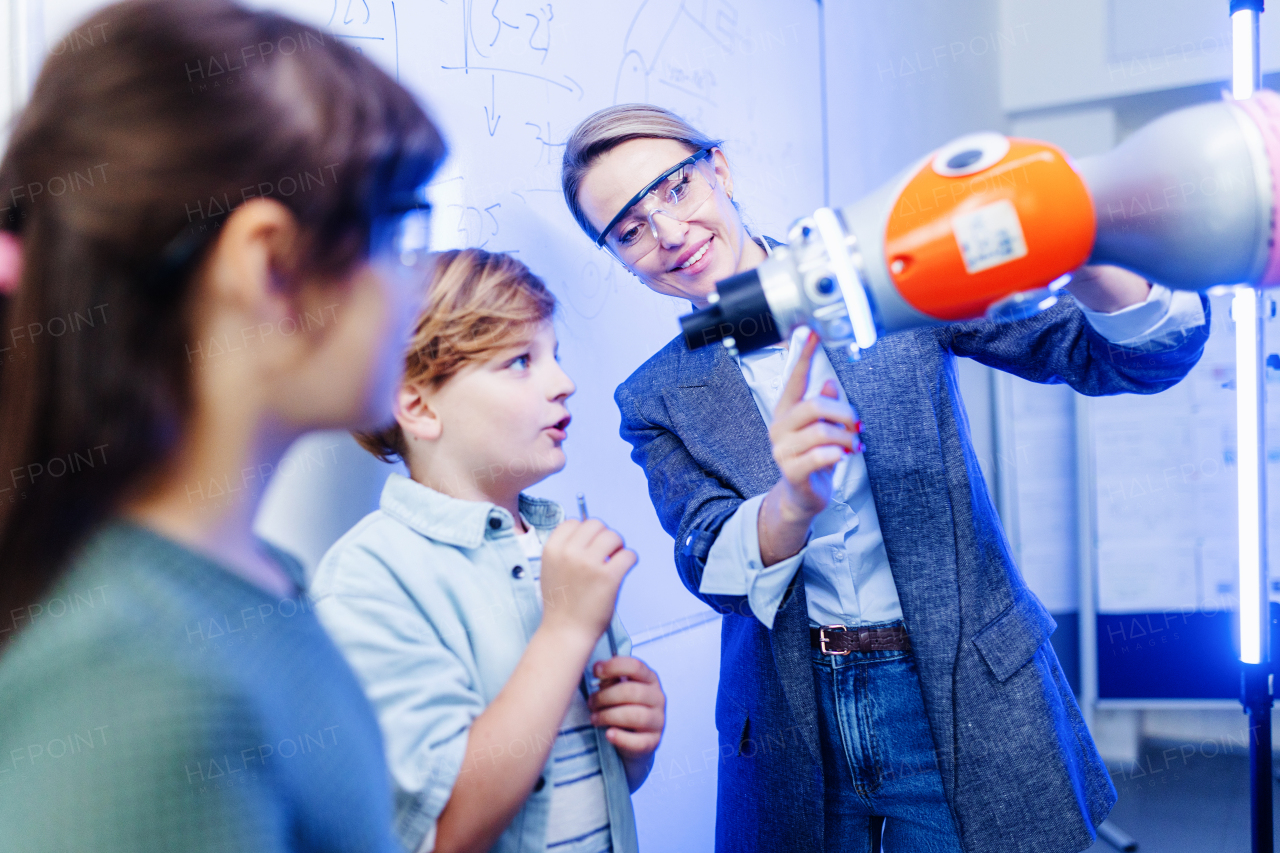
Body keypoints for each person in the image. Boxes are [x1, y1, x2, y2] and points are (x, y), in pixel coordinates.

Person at [560, 104, 1210, 853]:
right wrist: (790, 503)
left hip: (963, 690)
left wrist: (1080, 245)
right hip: (793, 725)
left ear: (721, 170)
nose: (668, 234)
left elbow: (1119, 355)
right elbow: (708, 559)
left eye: (674, 189)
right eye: (631, 229)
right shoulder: (653, 397)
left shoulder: (883, 272)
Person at [0, 1, 445, 849]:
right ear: (270, 266)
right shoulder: (136, 688)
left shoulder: (251, 578)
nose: (413, 288)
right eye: (397, 233)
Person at [310, 248, 666, 853]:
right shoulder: (368, 580)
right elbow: (444, 834)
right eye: (521, 361)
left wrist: (635, 741)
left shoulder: (560, 548)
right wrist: (566, 631)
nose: (563, 383)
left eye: (555, 356)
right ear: (419, 406)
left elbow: (581, 781)